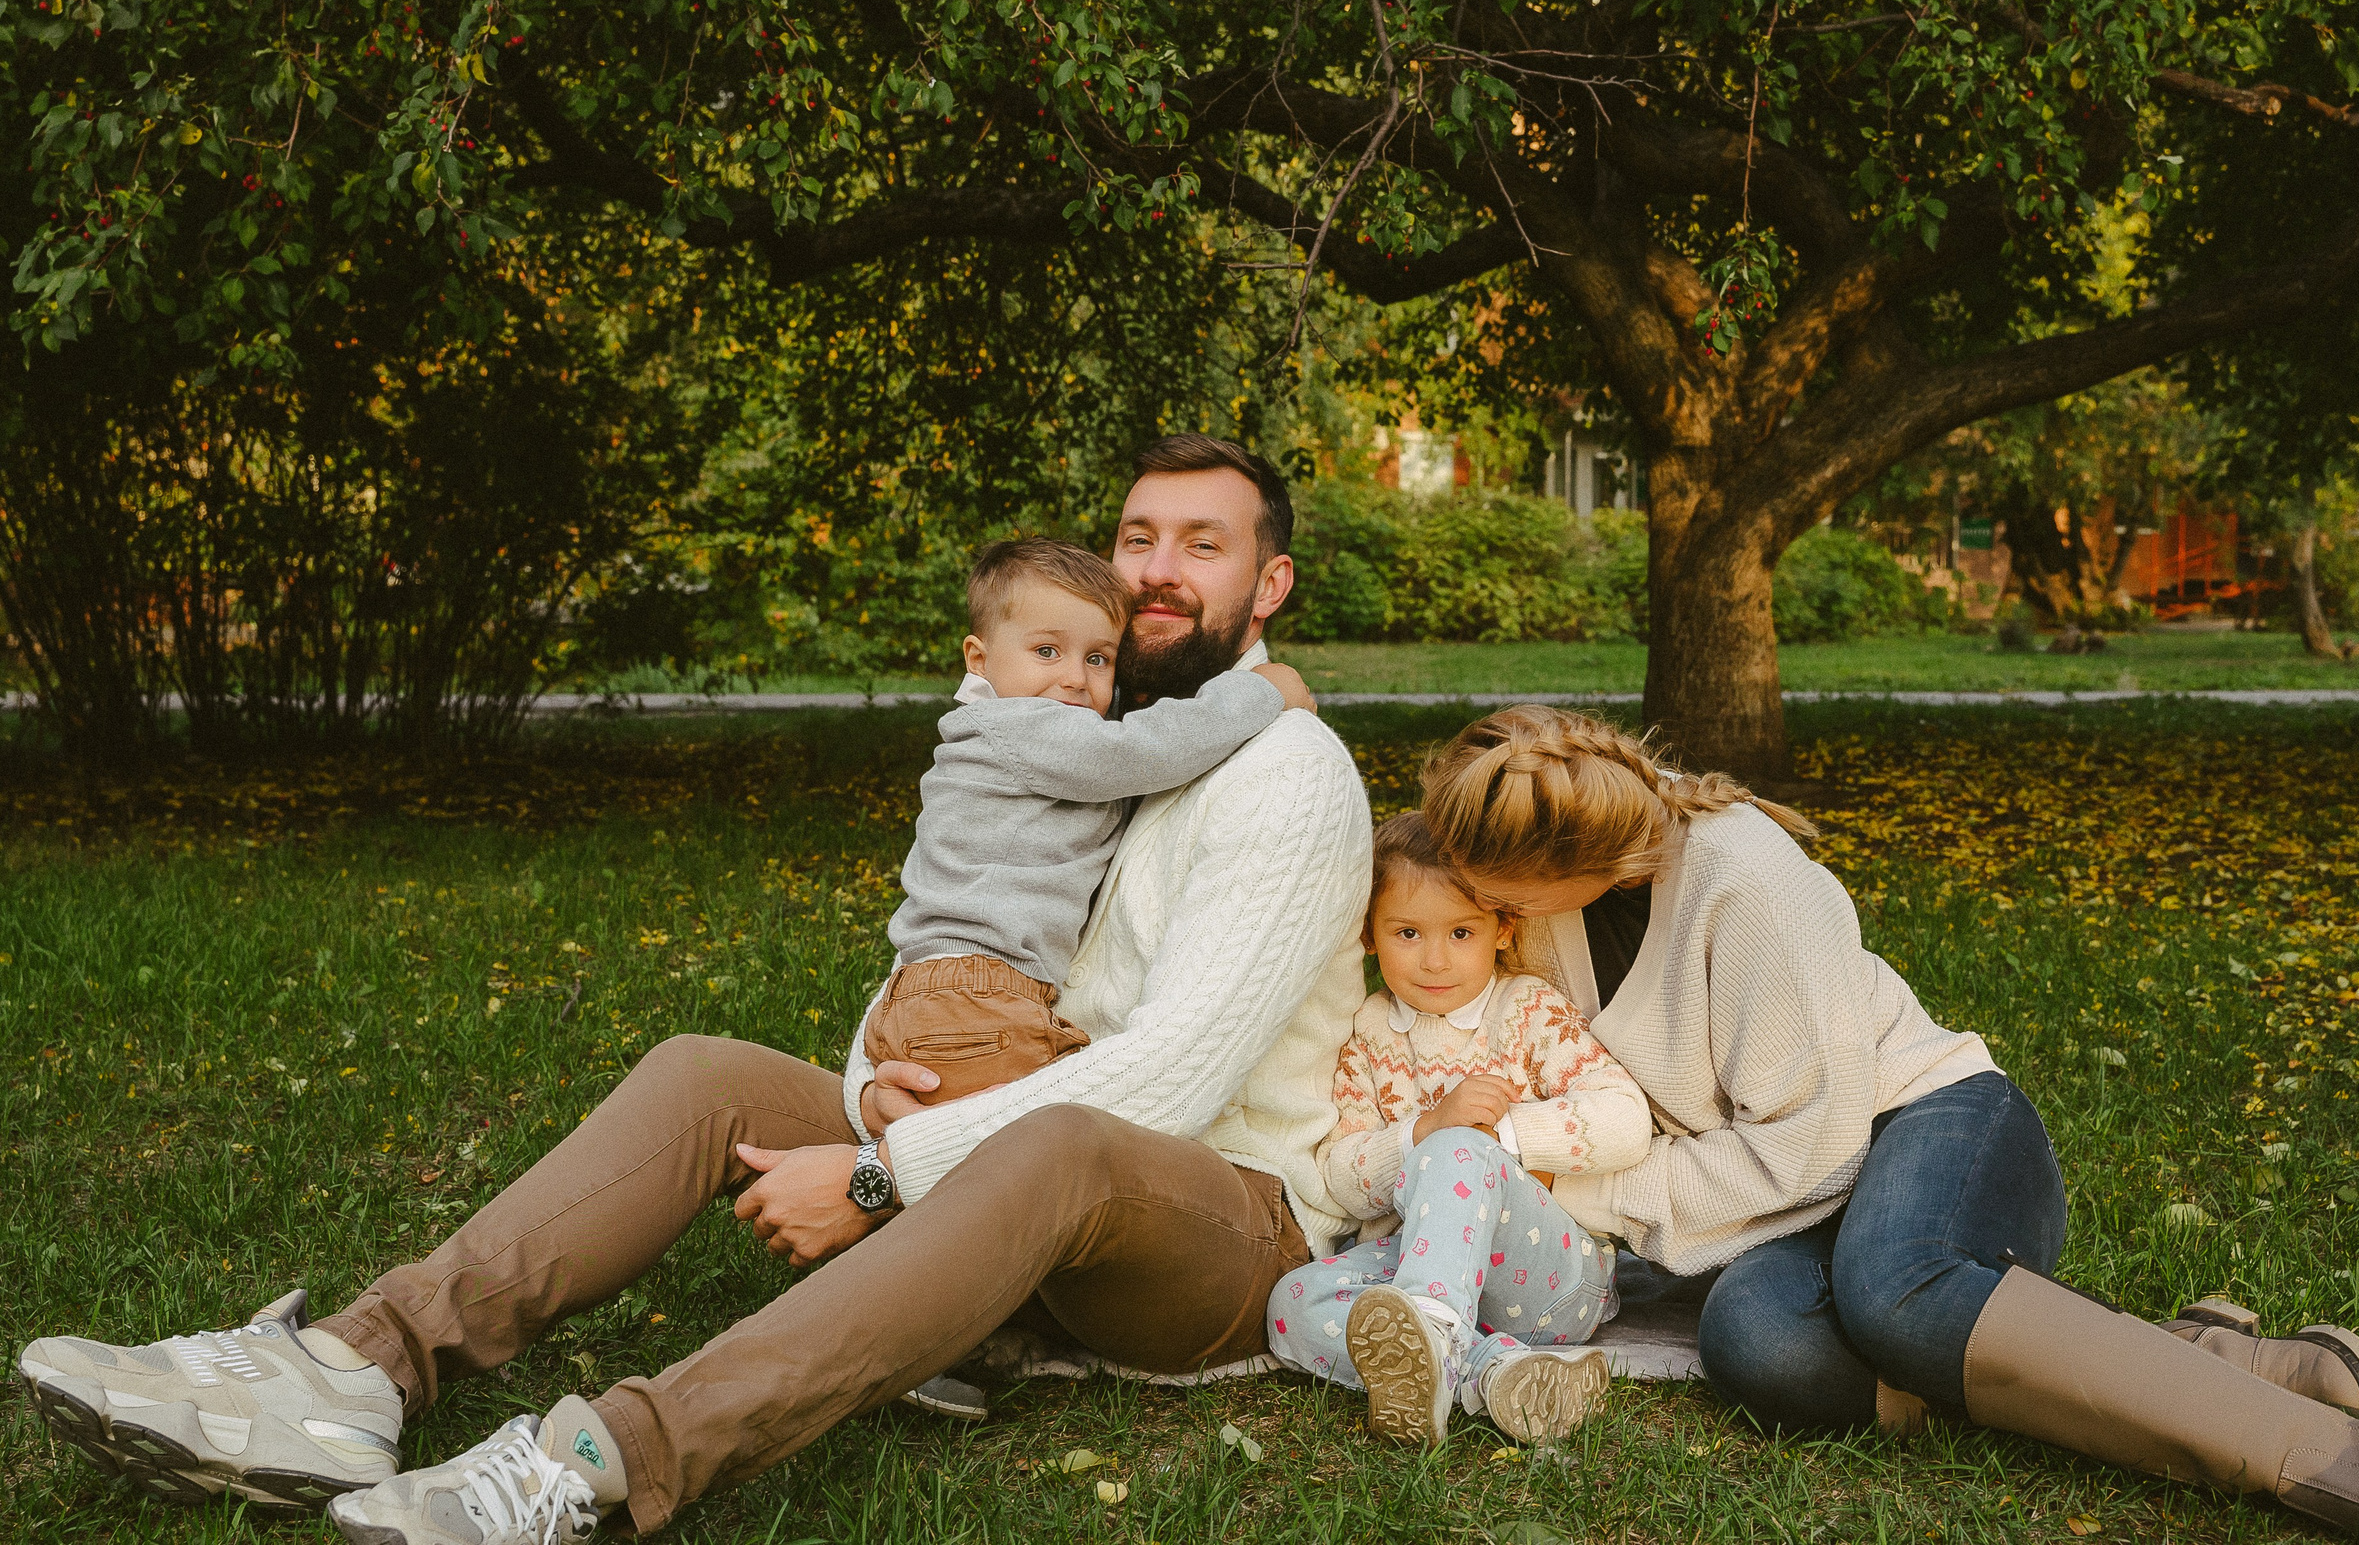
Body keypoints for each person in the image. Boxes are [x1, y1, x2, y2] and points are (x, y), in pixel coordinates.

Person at [17, 435, 1376, 1545]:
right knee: (706, 1070)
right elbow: (963, 962)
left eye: (1203, 542)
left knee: (1065, 1143)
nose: (1155, 568)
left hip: (1215, 1225)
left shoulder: (1287, 771)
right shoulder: (1102, 737)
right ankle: (359, 1366)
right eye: (1139, 535)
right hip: (1016, 1158)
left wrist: (874, 1171)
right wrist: (861, 1091)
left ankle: (587, 1461)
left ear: (1270, 586)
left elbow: (1168, 1084)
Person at [1415, 704, 2359, 1545]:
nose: (1483, 914)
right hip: (1787, 1202)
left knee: (1894, 1292)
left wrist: (1587, 1198)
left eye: (1498, 894)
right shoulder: (1548, 892)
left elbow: (1807, 1143)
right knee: (1756, 1345)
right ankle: (2201, 1360)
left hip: (1929, 1126)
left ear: (1589, 861)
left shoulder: (1746, 880)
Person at [860, 535, 1309, 1109]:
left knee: (1004, 1149)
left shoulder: (1009, 735)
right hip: (982, 994)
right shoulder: (1022, 727)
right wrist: (1257, 691)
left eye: (1098, 658)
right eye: (1047, 651)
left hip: (939, 994)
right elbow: (1141, 751)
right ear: (979, 659)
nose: (1075, 677)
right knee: (1059, 1136)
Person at [1265, 812, 1650, 1447]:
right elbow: (1340, 1176)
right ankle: (1491, 1376)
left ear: (1504, 929)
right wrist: (1425, 1129)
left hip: (1551, 1281)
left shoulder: (1527, 1010)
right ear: (1369, 934)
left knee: (1463, 1152)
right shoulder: (1366, 1034)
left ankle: (1437, 1339)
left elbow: (1626, 1121)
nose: (1435, 958)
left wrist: (1502, 1138)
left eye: (1462, 932)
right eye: (1408, 932)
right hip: (1421, 1263)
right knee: (1291, 1305)